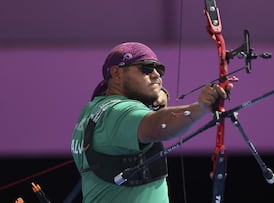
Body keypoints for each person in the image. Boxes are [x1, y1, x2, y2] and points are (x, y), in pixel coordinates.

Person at [71, 42, 231, 203]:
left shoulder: (92, 109)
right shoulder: (118, 112)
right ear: (117, 73)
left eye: (159, 70)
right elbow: (157, 126)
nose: (156, 75)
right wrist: (199, 108)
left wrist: (158, 96)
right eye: (145, 69)